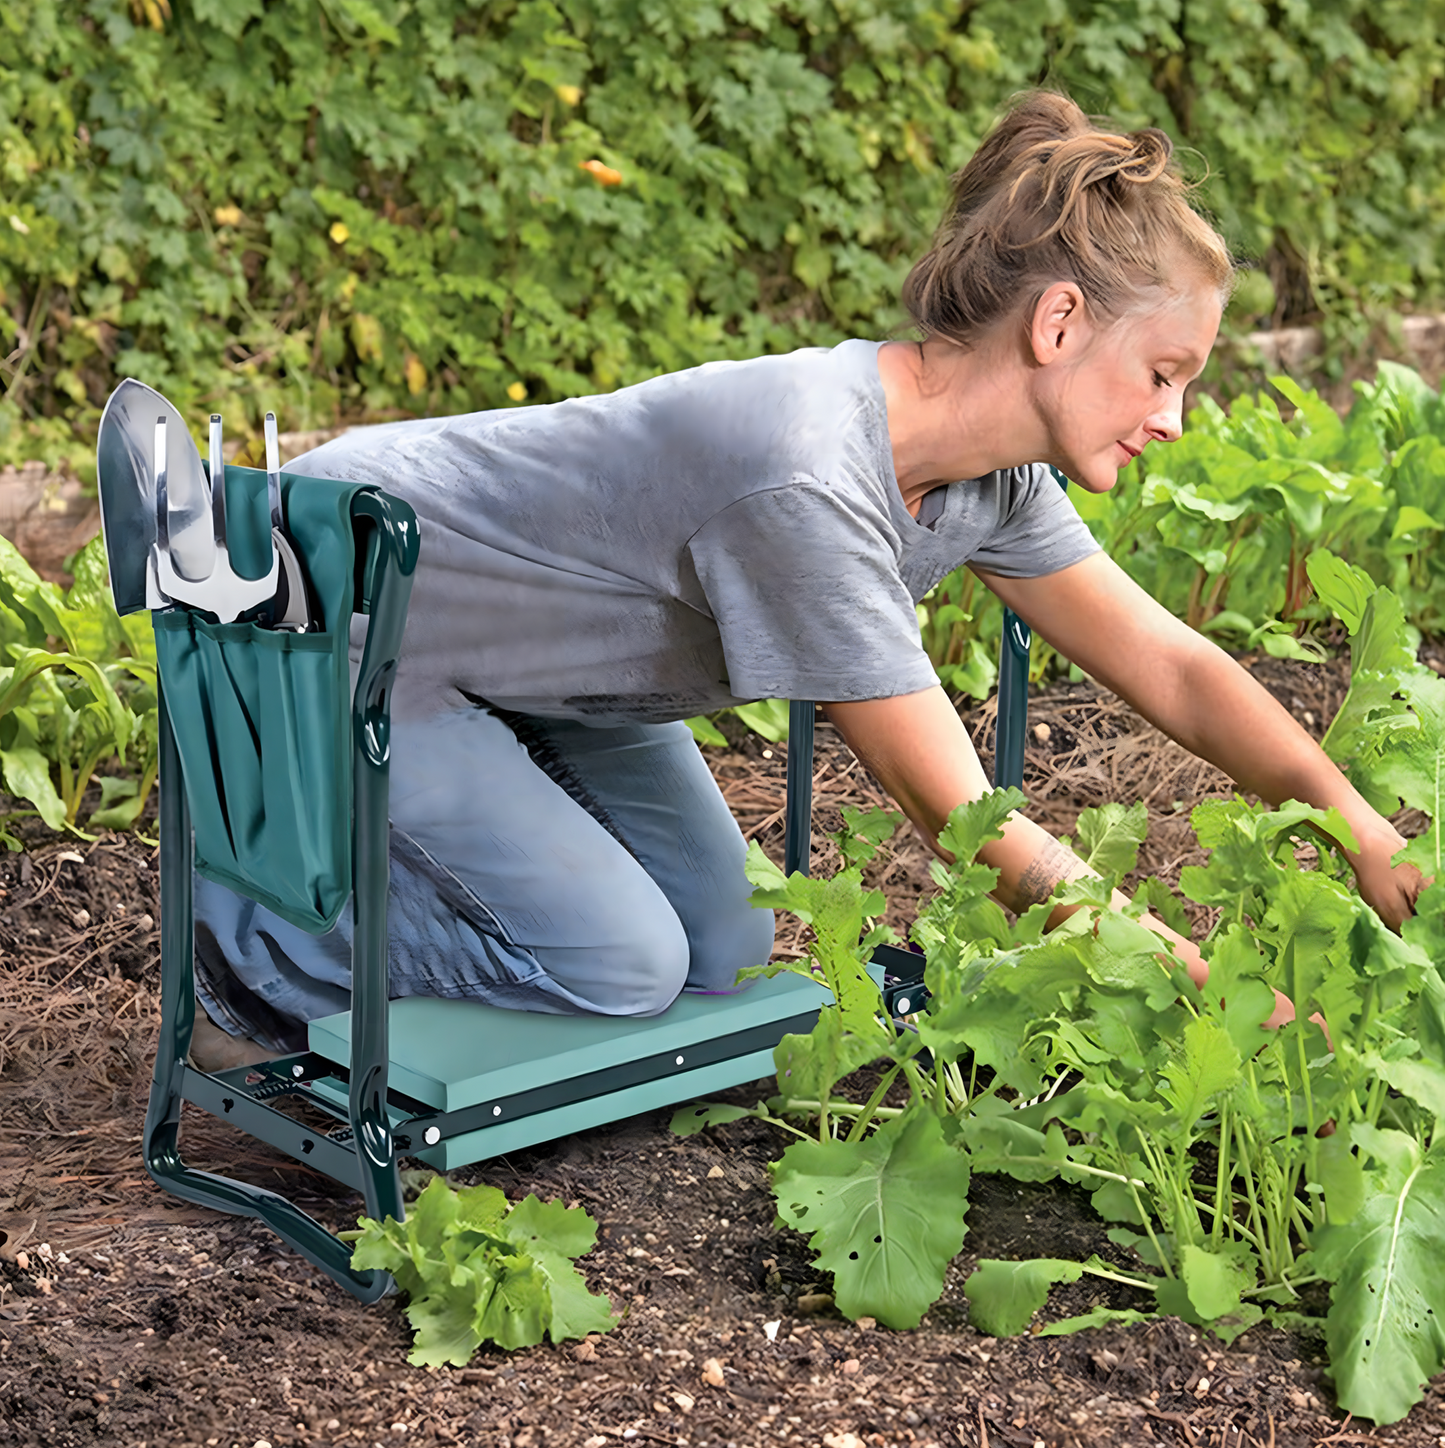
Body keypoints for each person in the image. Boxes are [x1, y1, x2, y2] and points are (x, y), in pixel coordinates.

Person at [189, 90, 1423, 1069]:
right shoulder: (808, 478)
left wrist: (1354, 824)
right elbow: (958, 817)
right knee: (619, 963)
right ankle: (253, 950)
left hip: (524, 662)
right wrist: (1212, 1000)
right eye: (1162, 372)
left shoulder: (983, 475)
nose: (1175, 415)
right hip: (349, 607)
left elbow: (1175, 663)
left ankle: (416, 861)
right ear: (1055, 325)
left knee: (718, 954)